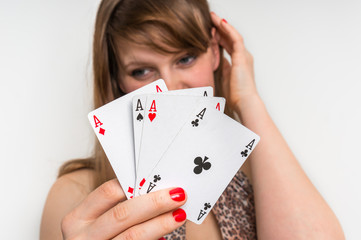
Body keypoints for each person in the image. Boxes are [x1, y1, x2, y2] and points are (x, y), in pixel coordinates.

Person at [40, 0, 345, 239]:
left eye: (185, 59)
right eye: (141, 71)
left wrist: (249, 99)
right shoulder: (78, 196)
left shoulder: (258, 173)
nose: (170, 86)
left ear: (214, 53)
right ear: (118, 81)